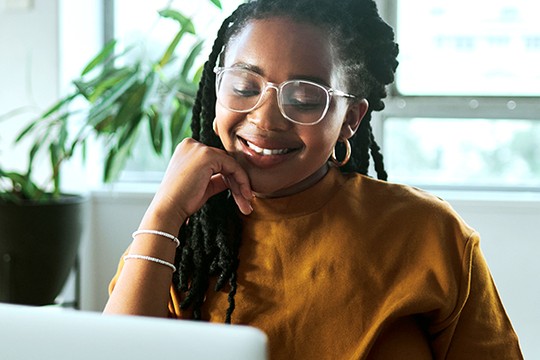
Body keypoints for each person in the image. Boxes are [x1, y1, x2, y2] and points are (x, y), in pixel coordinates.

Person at [105, 0, 523, 358]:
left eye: (304, 98)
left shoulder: (428, 232)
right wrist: (163, 213)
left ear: (350, 121)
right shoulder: (180, 237)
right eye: (244, 86)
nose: (265, 119)